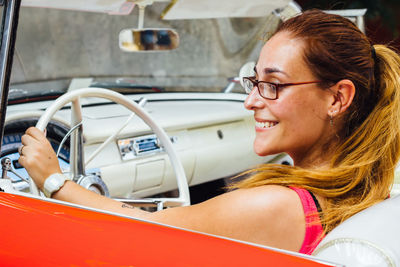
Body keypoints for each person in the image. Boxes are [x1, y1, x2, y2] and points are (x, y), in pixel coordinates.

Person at [18, 9, 400, 255]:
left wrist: (55, 181)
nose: (250, 102)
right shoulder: (363, 189)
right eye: (252, 81)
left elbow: (142, 229)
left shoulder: (276, 207)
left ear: (337, 98)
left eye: (273, 85)